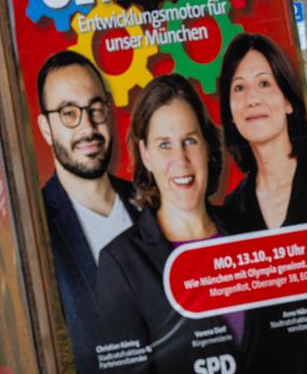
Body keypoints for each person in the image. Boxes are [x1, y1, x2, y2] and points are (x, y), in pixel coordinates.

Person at [96, 74, 241, 373]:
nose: (181, 159)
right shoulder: (121, 263)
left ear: (206, 147)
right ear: (145, 155)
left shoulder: (248, 230)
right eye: (164, 144)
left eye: (190, 140)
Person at [219, 32, 307, 372]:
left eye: (264, 83)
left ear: (288, 100)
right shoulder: (233, 208)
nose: (251, 99)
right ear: (230, 111)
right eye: (239, 88)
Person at [36, 50, 139, 373]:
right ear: (46, 128)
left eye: (95, 108)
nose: (88, 126)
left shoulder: (152, 201)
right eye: (69, 113)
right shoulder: (35, 225)